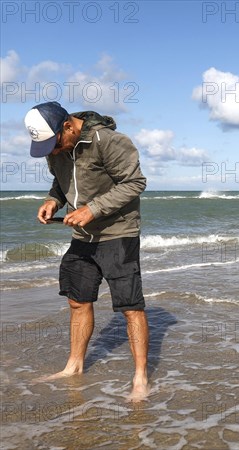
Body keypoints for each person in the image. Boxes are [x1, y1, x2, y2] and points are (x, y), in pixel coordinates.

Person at [24, 101, 149, 400]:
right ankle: (74, 366)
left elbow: (134, 183)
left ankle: (141, 377)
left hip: (118, 233)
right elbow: (61, 182)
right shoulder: (57, 147)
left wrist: (93, 209)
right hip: (82, 237)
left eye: (53, 145)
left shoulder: (109, 141)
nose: (52, 152)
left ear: (67, 126)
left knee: (130, 308)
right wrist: (53, 201)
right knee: (77, 301)